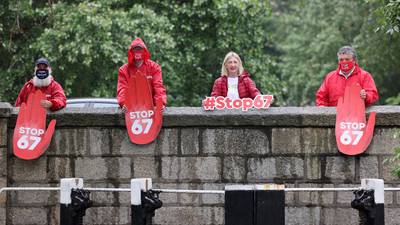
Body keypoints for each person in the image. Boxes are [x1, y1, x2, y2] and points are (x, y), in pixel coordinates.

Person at [117, 37, 167, 112]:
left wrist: (160, 103)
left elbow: (158, 86)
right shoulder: (123, 70)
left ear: (144, 51)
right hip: (131, 110)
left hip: (151, 109)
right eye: (135, 49)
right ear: (131, 51)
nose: (137, 51)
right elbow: (122, 89)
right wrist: (124, 103)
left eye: (140, 49)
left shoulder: (154, 67)